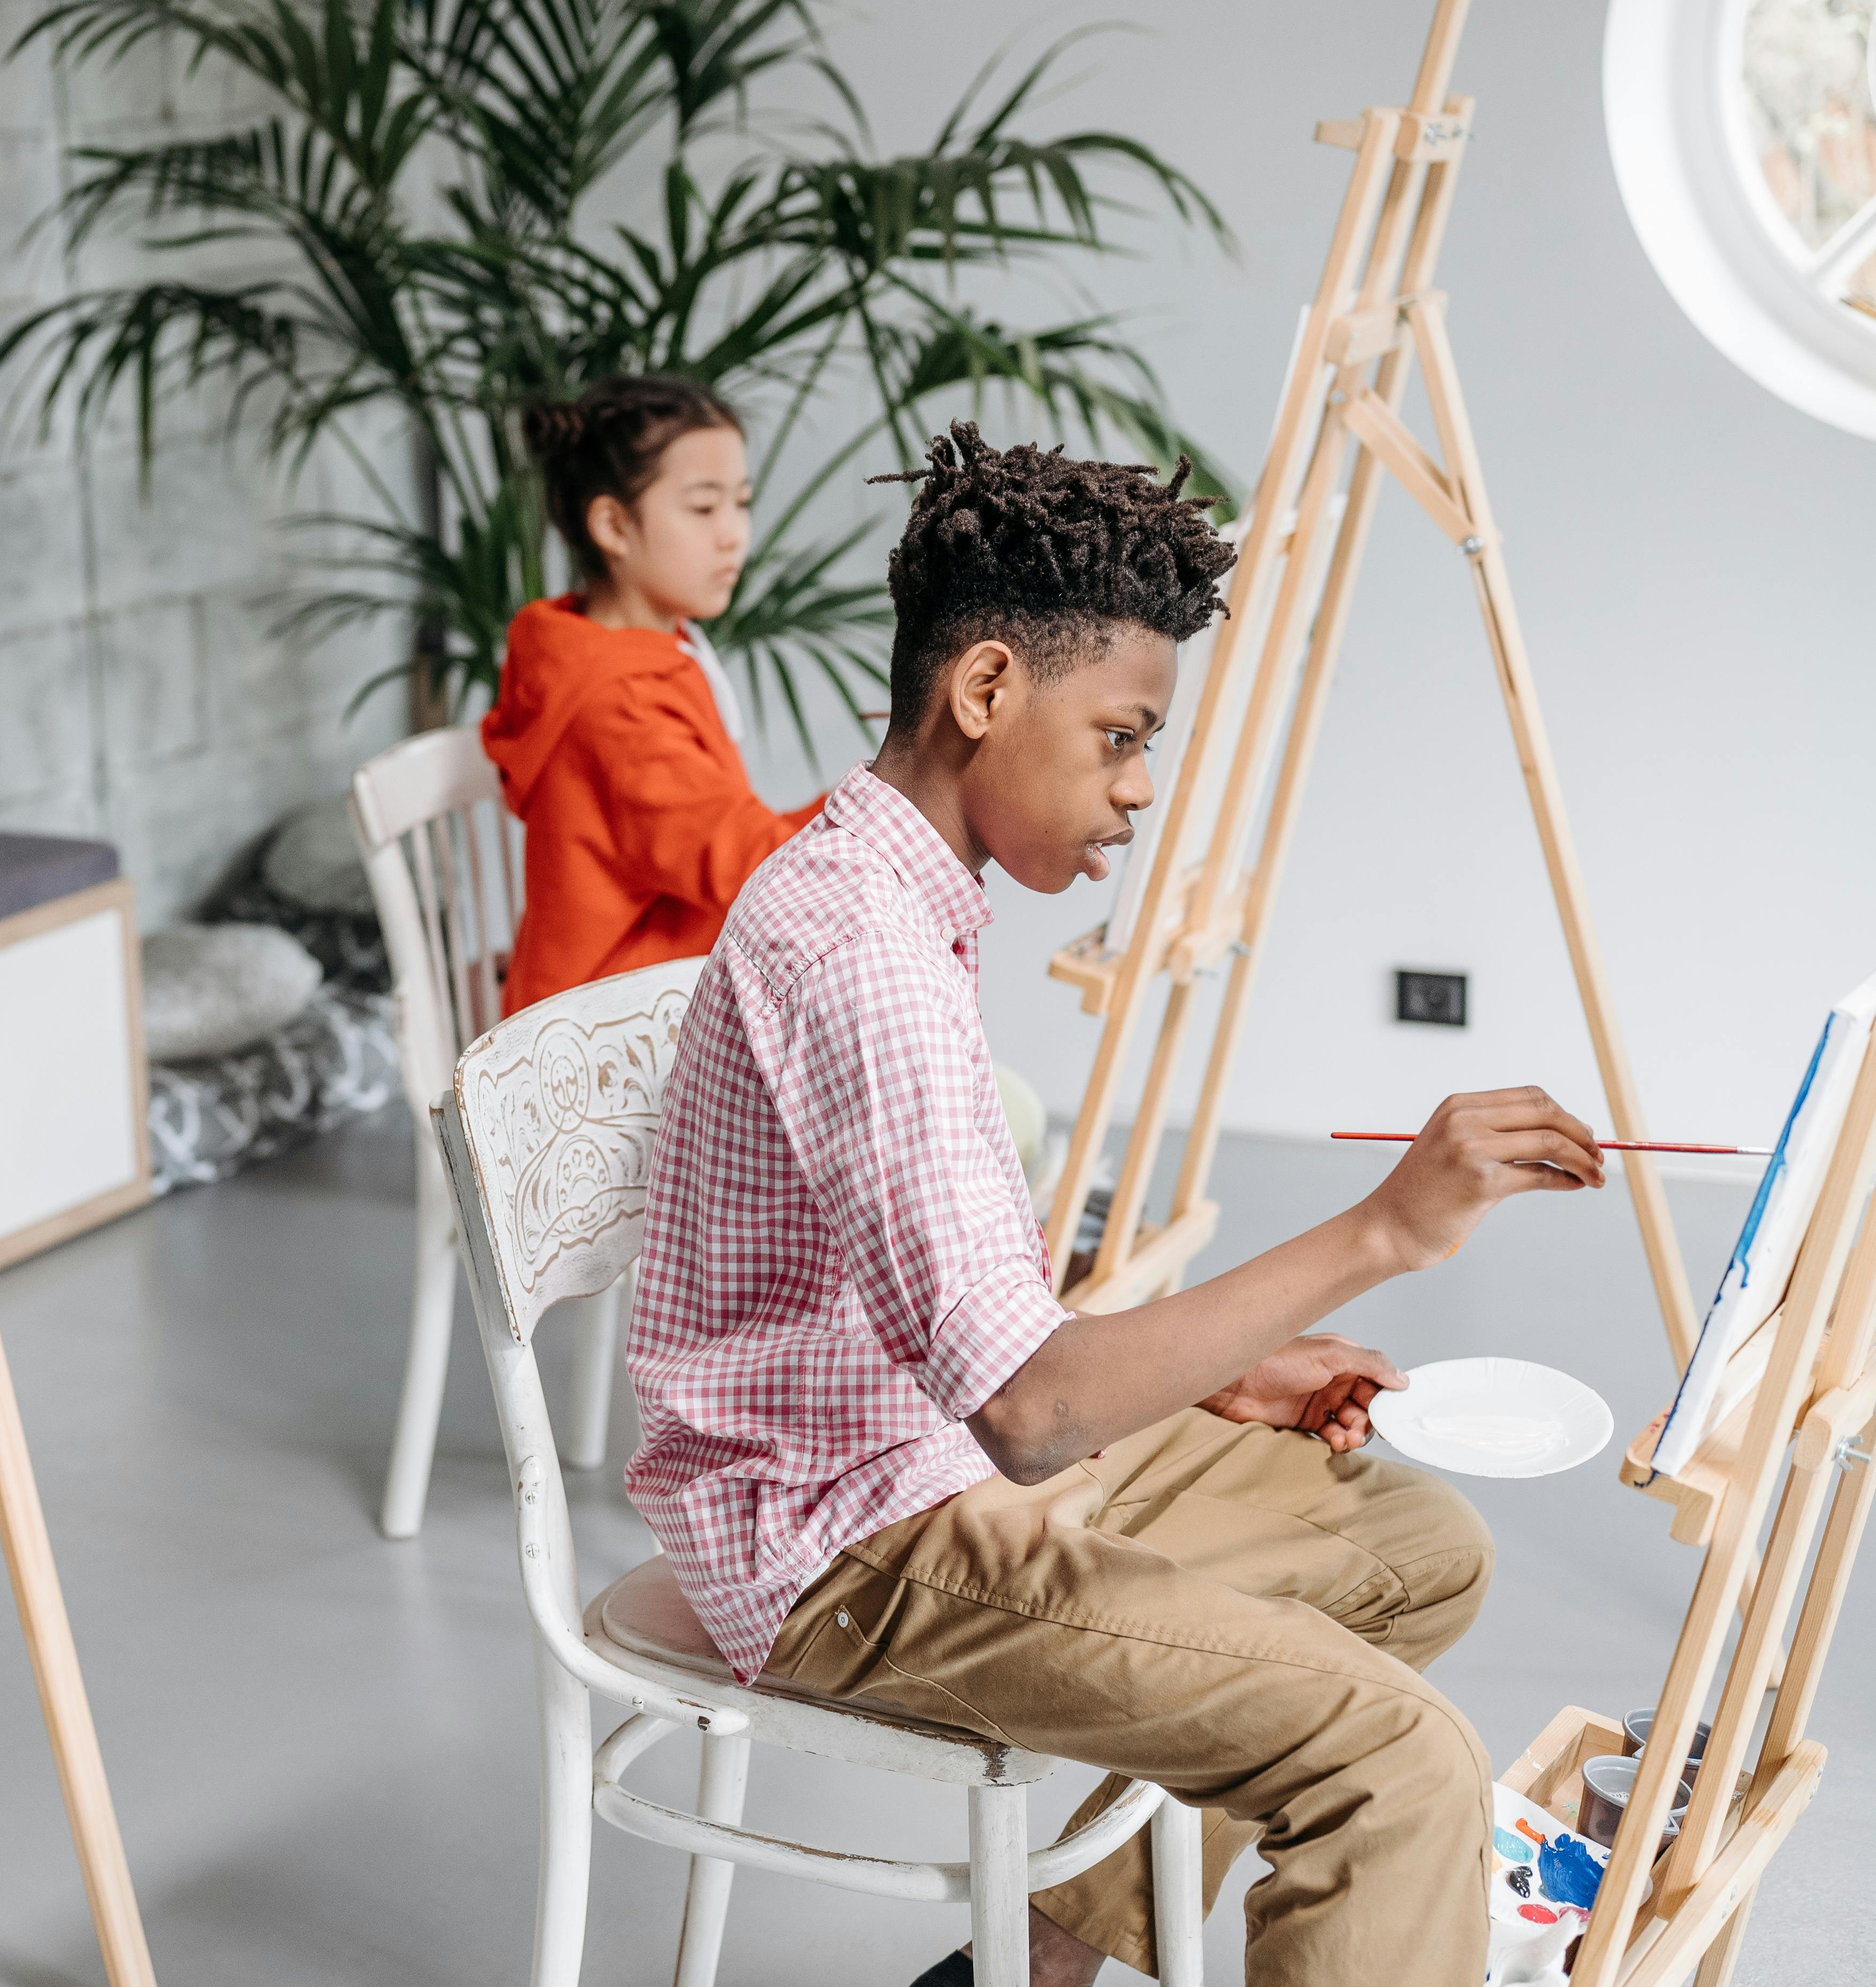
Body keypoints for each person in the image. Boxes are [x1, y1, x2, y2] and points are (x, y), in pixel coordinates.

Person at [625, 423, 1602, 1987]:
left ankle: (1041, 1957)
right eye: (1122, 736)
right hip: (850, 1540)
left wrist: (1215, 1367)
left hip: (925, 1450)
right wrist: (1381, 1230)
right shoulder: (859, 951)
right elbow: (1025, 1408)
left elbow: (953, 1291)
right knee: (1391, 1759)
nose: (1140, 788)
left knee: (1420, 1547)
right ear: (987, 689)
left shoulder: (901, 892)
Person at [480, 374, 827, 1014]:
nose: (733, 534)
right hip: (595, 1047)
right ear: (613, 524)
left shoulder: (622, 648)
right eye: (703, 508)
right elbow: (750, 867)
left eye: (740, 503)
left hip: (620, 996)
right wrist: (896, 787)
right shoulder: (619, 705)